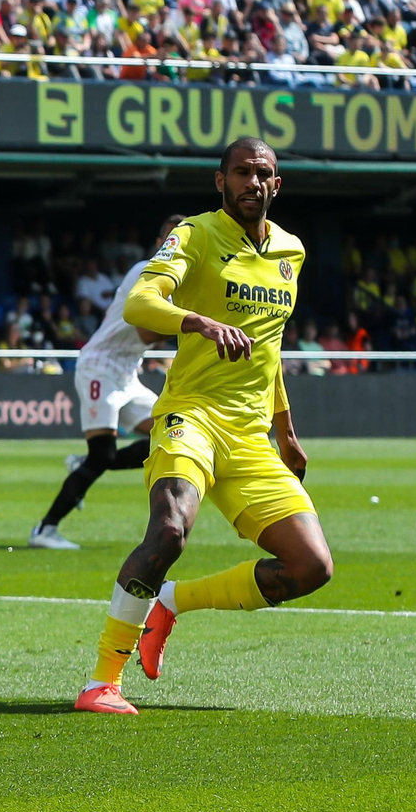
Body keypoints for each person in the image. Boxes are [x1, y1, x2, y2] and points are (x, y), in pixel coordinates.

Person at [77, 138, 331, 715]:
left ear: (276, 184)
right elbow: (140, 304)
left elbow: (269, 349)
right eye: (240, 172)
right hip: (190, 414)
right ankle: (101, 682)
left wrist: (286, 431)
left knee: (311, 567)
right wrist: (198, 321)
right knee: (169, 532)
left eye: (262, 173)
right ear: (220, 181)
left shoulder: (290, 251)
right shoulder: (193, 234)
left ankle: (171, 603)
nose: (251, 182)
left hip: (251, 434)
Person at [31, 215, 185, 551]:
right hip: (100, 366)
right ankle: (44, 529)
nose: (175, 244)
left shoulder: (179, 284)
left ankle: (82, 464)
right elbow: (147, 332)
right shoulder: (146, 271)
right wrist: (193, 321)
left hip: (128, 372)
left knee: (172, 433)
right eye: (170, 238)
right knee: (102, 455)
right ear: (159, 243)